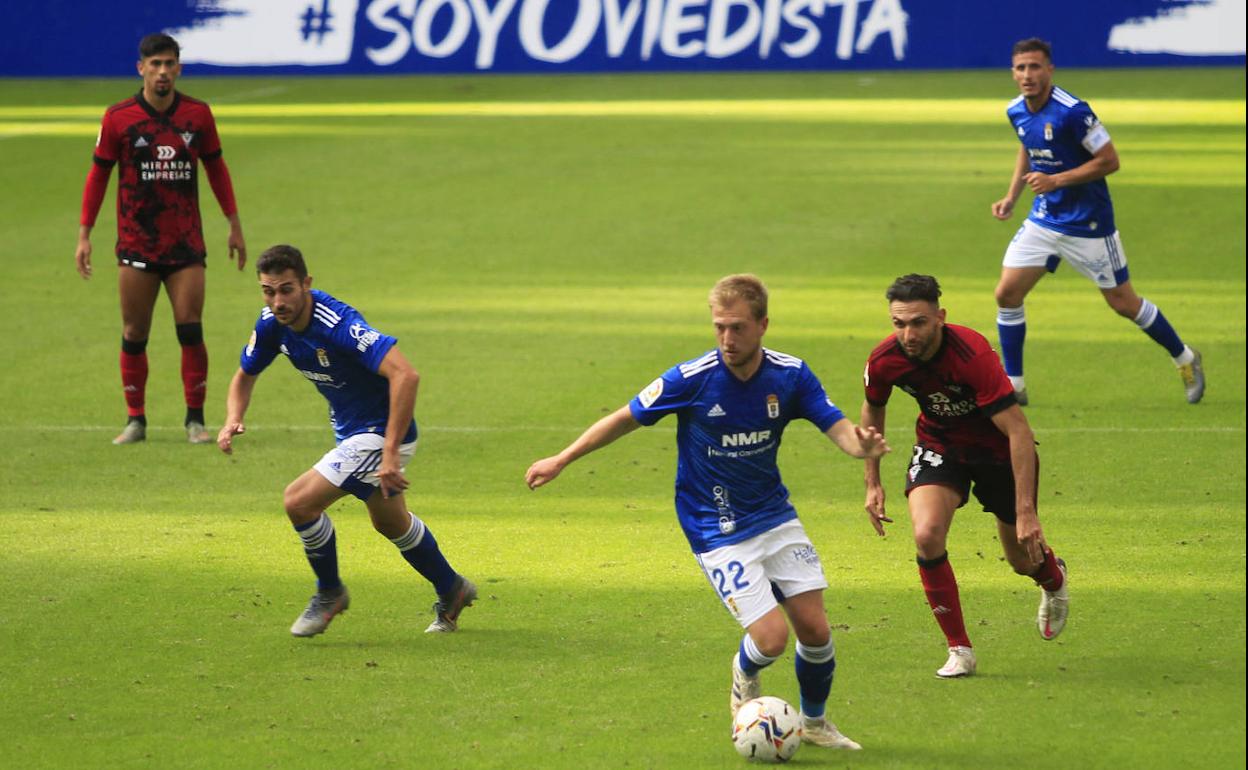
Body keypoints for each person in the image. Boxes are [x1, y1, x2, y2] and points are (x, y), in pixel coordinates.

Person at [525, 274, 888, 750]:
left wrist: (858, 448)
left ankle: (815, 723)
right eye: (719, 327)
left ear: (762, 325)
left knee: (817, 630)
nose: (726, 339)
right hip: (714, 525)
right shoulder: (692, 378)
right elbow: (622, 418)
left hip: (774, 515)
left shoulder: (790, 375)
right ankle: (744, 671)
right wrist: (562, 459)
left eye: (737, 328)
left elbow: (836, 425)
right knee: (772, 639)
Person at [217, 245, 476, 637]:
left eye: (286, 289)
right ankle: (451, 587)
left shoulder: (336, 322)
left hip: (380, 433)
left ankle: (330, 592)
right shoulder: (271, 322)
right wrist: (233, 417)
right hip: (354, 433)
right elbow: (244, 375)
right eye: (268, 291)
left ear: (306, 283)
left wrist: (389, 454)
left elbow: (406, 375)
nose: (277, 301)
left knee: (298, 501)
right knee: (392, 524)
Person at [860, 274, 1069, 679]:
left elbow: (1019, 432)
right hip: (940, 445)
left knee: (1021, 561)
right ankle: (960, 648)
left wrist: (1027, 512)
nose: (908, 334)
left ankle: (1053, 578)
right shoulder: (884, 360)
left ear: (940, 317)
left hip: (996, 452)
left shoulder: (971, 354)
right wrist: (872, 481)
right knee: (926, 534)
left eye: (918, 322)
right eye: (899, 323)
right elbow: (873, 411)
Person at [990, 37, 1204, 406]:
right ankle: (1014, 386)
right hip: (1044, 219)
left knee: (1123, 303)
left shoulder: (1074, 112)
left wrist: (1055, 180)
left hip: (1088, 224)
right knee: (1006, 294)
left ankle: (1185, 357)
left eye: (1035, 66)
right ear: (1013, 73)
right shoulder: (1016, 110)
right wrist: (1012, 196)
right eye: (1021, 68)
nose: (1028, 75)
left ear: (1050, 70)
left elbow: (1110, 160)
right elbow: (1027, 146)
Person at [75, 33, 248, 445]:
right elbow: (98, 176)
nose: (163, 72)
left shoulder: (198, 115)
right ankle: (136, 420)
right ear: (141, 69)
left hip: (186, 244)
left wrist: (234, 223)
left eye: (169, 63)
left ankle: (195, 420)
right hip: (136, 243)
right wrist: (85, 235)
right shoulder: (118, 118)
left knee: (190, 328)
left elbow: (216, 170)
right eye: (155, 65)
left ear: (179, 68)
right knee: (135, 332)